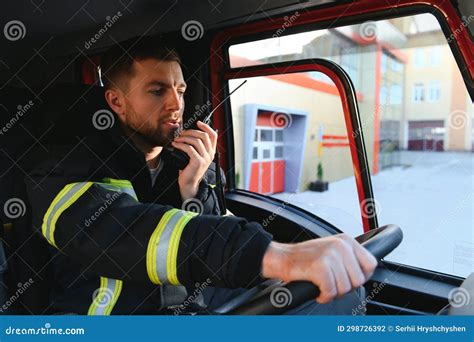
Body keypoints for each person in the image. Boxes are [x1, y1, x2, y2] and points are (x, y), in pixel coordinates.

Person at [25, 36, 376, 315]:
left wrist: (194, 190)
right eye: (157, 90)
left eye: (179, 90)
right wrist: (277, 256)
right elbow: (123, 233)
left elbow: (207, 255)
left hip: (194, 310)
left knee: (342, 298)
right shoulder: (64, 169)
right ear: (116, 102)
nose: (177, 105)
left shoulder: (188, 163)